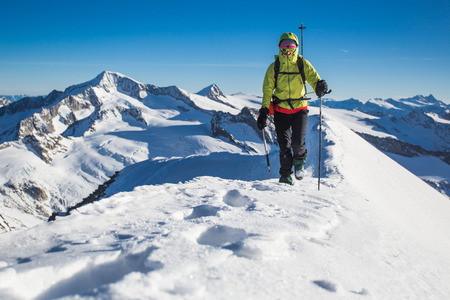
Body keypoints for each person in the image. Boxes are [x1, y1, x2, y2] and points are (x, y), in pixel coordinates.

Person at [257, 32, 328, 185]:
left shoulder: (303, 64)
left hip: (299, 109)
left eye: (290, 46)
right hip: (280, 110)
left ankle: (299, 164)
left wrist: (320, 86)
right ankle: (285, 175)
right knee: (284, 145)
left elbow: (315, 79)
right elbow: (267, 90)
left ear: (296, 47)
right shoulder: (274, 67)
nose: (287, 50)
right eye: (284, 46)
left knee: (297, 142)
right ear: (279, 48)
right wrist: (264, 110)